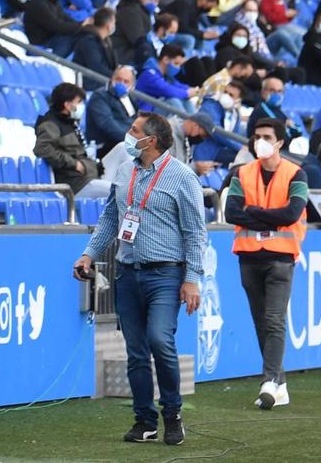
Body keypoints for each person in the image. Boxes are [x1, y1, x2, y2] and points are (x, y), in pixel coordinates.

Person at [75, 112, 206, 444]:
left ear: (152, 140)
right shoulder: (124, 171)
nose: (127, 134)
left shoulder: (182, 177)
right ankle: (145, 420)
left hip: (165, 273)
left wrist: (191, 278)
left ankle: (172, 414)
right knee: (135, 350)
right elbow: (110, 217)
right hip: (127, 273)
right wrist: (89, 253)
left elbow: (195, 233)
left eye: (134, 130)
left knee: (161, 340)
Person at [222, 117, 305, 409]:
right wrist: (268, 215)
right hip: (249, 257)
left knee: (273, 320)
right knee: (262, 324)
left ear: (280, 141)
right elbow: (231, 212)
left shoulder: (297, 174)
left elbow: (291, 214)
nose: (260, 141)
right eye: (257, 136)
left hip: (280, 258)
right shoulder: (241, 173)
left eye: (267, 136)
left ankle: (269, 380)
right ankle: (279, 384)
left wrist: (254, 211)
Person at [87, 65, 139, 157]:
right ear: (112, 78)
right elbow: (107, 124)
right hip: (105, 145)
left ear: (132, 86)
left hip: (124, 142)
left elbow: (136, 121)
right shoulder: (100, 96)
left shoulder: (129, 98)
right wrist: (132, 140)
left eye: (126, 81)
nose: (121, 83)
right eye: (118, 79)